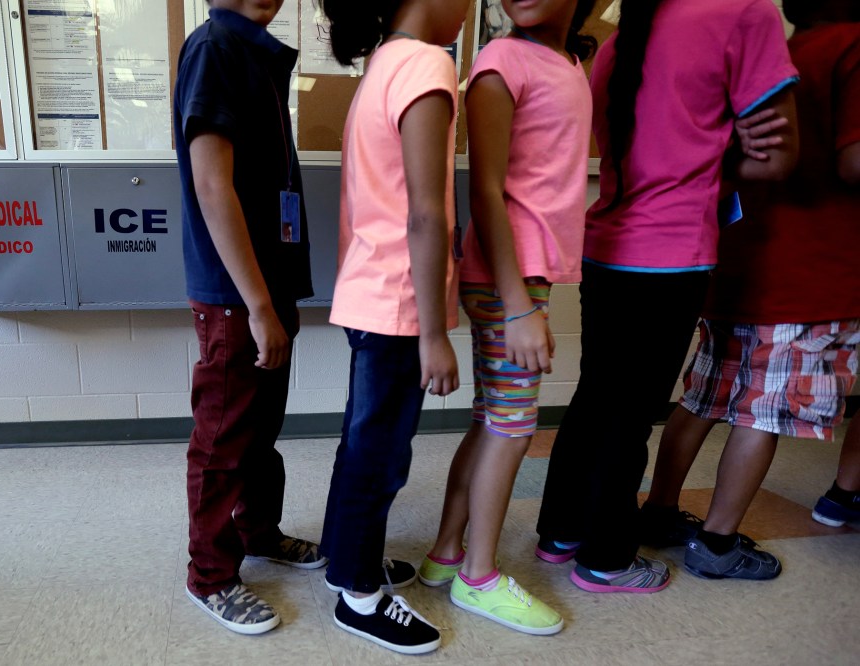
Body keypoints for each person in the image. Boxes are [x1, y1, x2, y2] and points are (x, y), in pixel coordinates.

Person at [535, 0, 800, 593]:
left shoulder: (617, 37)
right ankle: (606, 560)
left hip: (605, 245)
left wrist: (711, 137)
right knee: (628, 414)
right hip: (672, 254)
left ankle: (561, 534)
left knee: (597, 398)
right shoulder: (743, 12)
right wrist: (728, 143)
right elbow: (778, 160)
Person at [641, 0, 860, 578]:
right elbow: (854, 160)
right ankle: (717, 545)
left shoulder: (781, 54)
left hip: (741, 257)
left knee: (704, 399)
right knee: (764, 413)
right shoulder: (855, 47)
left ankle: (660, 511)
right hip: (811, 272)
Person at [418, 0, 597, 635]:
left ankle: (445, 555)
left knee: (493, 422)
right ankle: (479, 577)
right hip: (507, 280)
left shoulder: (572, 62)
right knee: (514, 429)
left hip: (524, 276)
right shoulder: (501, 61)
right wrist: (519, 302)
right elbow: (484, 188)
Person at [316, 0, 467, 654]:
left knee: (364, 444)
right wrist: (434, 332)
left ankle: (347, 559)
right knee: (378, 454)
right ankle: (359, 595)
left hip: (369, 292)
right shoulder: (427, 64)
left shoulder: (384, 63)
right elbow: (427, 215)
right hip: (399, 303)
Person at [173, 0, 326, 635]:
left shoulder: (256, 51)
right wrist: (258, 306)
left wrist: (271, 299)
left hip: (266, 286)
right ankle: (209, 576)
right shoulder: (216, 47)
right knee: (223, 441)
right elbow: (213, 185)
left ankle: (260, 534)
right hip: (238, 294)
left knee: (259, 430)